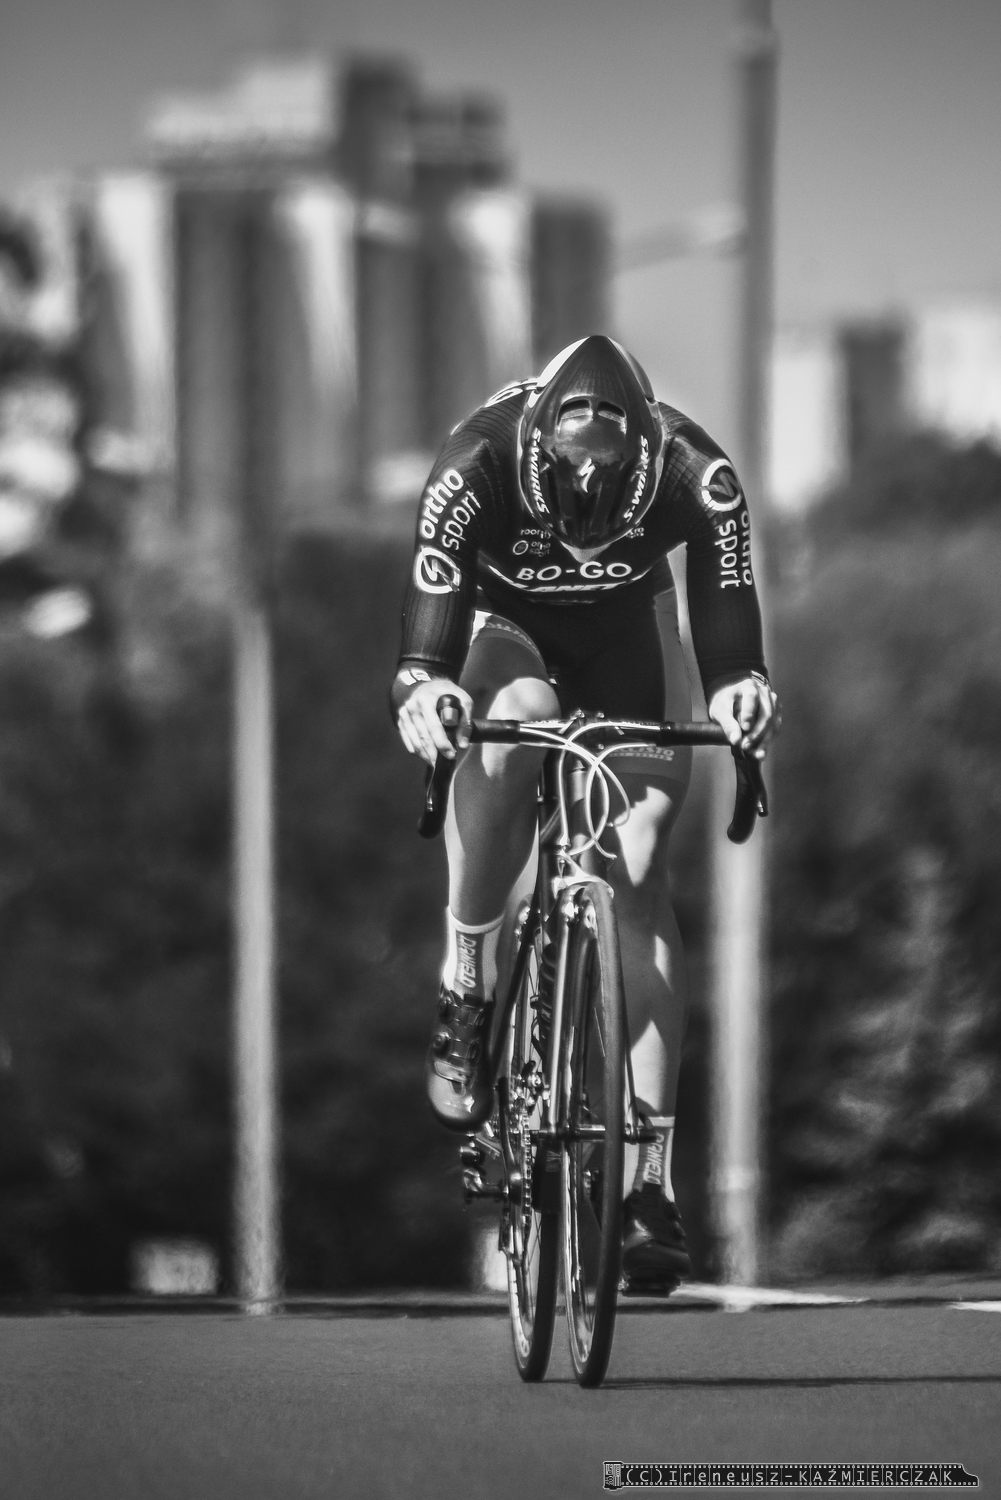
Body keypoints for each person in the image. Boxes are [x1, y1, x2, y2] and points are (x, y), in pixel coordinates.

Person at [391, 334, 778, 1290]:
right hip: (507, 629)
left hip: (627, 635)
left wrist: (739, 686)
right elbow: (428, 628)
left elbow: (728, 610)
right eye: (570, 528)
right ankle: (469, 970)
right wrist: (426, 687)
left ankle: (647, 1182)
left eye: (609, 532)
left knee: (637, 863)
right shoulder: (475, 461)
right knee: (510, 727)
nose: (585, 547)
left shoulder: (697, 473)